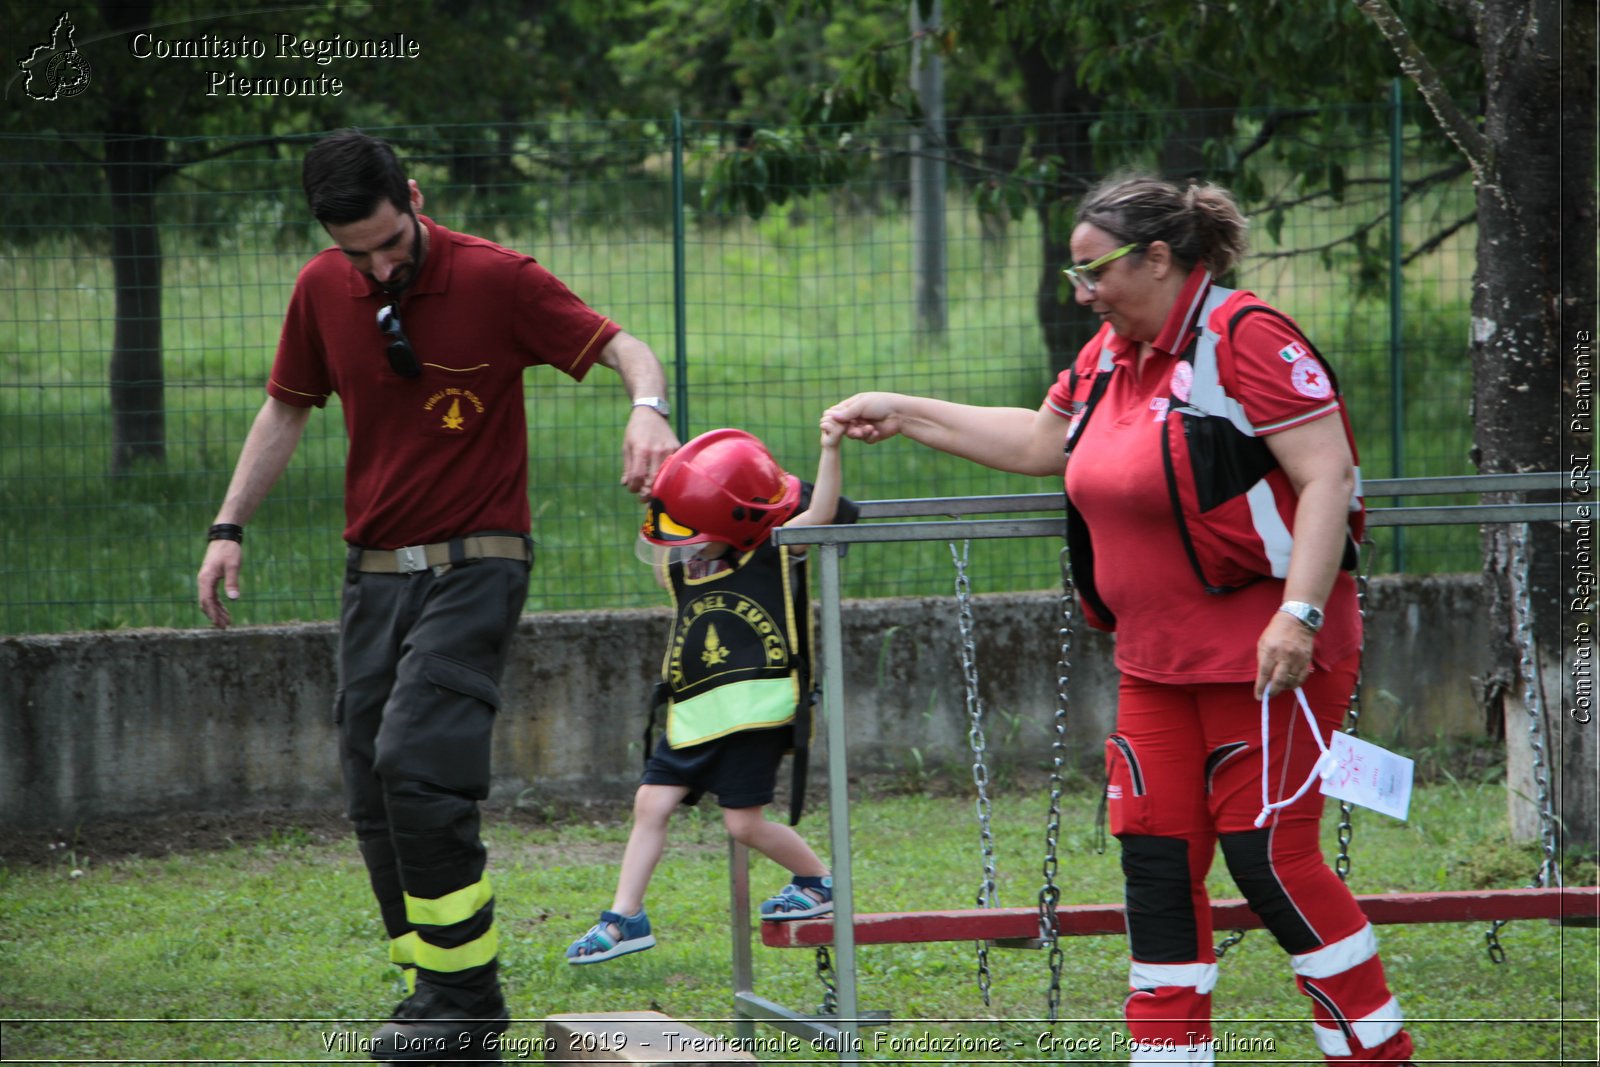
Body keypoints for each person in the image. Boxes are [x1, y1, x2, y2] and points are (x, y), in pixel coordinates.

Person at [825, 174, 1414, 1065]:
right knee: (1155, 868)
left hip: (1268, 660)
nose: (1083, 292)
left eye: (1094, 272)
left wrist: (1296, 615)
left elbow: (1327, 475)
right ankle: (1169, 1056)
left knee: (1270, 864)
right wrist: (899, 410)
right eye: (1077, 277)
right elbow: (1038, 440)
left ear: (1159, 258)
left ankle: (1376, 1049)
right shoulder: (1111, 351)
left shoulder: (1244, 336)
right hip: (1155, 663)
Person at [195, 129, 679, 1061]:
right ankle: (435, 993)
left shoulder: (497, 277)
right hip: (374, 571)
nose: (378, 266)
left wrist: (646, 411)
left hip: (478, 561)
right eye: (357, 252)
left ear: (413, 197)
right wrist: (227, 526)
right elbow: (287, 405)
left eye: (391, 242)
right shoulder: (318, 289)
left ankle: (467, 1003)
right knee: (372, 786)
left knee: (419, 762)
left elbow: (629, 349)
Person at [566, 422, 856, 964]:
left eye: (694, 526)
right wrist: (670, 477)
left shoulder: (775, 551)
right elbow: (673, 524)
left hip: (754, 715)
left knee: (743, 822)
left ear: (732, 522)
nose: (684, 541)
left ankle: (819, 881)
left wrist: (829, 447)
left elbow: (822, 516)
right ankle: (625, 917)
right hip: (694, 713)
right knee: (650, 802)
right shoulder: (683, 565)